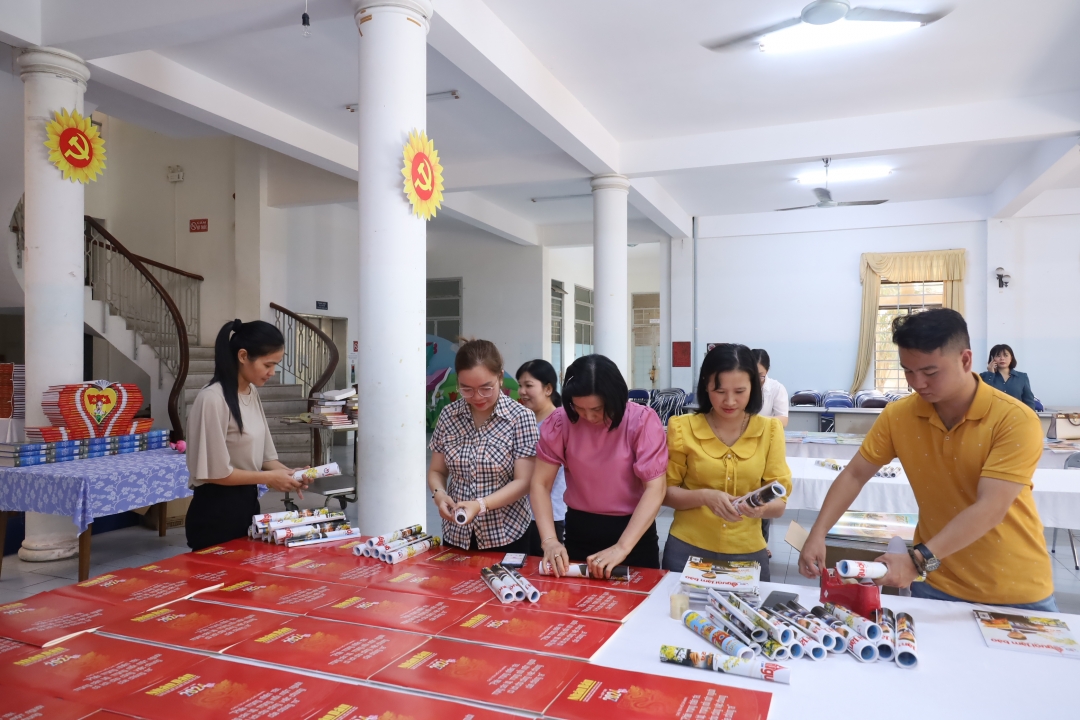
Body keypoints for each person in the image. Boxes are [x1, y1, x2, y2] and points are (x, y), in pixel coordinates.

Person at [798, 309, 1056, 611]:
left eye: (930, 372)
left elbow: (990, 507)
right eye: (908, 371)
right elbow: (855, 474)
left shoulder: (1014, 419)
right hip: (938, 584)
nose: (917, 383)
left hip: (1017, 591)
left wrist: (917, 559)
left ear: (965, 360)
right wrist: (817, 534)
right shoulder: (899, 416)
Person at [530, 354, 668, 576]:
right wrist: (549, 541)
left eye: (597, 409)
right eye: (580, 408)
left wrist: (622, 547)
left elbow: (655, 487)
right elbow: (539, 484)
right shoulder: (561, 420)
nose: (588, 416)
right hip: (580, 530)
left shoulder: (641, 421)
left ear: (616, 398)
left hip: (633, 532)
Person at [663, 344, 791, 579]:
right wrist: (704, 496)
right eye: (719, 391)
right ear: (706, 385)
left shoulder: (770, 430)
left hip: (748, 552)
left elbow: (780, 504)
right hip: (687, 549)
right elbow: (666, 493)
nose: (729, 401)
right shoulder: (682, 427)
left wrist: (760, 508)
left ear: (754, 386)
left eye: (740, 391)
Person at [185, 319, 309, 551]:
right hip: (215, 514)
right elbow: (215, 474)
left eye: (276, 365)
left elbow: (264, 459)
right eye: (268, 365)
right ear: (243, 356)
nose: (272, 372)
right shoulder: (212, 399)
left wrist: (291, 475)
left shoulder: (251, 393)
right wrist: (270, 479)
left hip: (247, 508)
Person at [428, 340, 538, 553]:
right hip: (456, 534)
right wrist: (439, 494)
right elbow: (437, 470)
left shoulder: (520, 418)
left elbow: (524, 482)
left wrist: (480, 505)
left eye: (486, 388)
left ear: (500, 377)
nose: (477, 397)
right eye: (466, 389)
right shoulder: (449, 416)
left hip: (506, 533)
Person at [516, 359, 567, 555]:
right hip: (521, 514)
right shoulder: (522, 420)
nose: (522, 391)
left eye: (529, 385)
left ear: (548, 389)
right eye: (520, 385)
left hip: (550, 513)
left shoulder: (560, 422)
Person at [981, 344, 1036, 410]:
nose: (1002, 358)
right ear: (992, 358)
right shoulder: (984, 376)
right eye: (998, 356)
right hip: (994, 418)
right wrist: (990, 374)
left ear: (1011, 358)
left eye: (1006, 355)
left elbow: (1029, 401)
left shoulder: (1022, 377)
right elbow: (983, 397)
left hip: (1016, 417)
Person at [752, 348, 789, 428]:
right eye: (752, 374)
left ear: (767, 371)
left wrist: (756, 421)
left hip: (766, 433)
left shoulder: (777, 388)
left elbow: (783, 421)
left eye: (760, 375)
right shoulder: (740, 387)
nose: (755, 379)